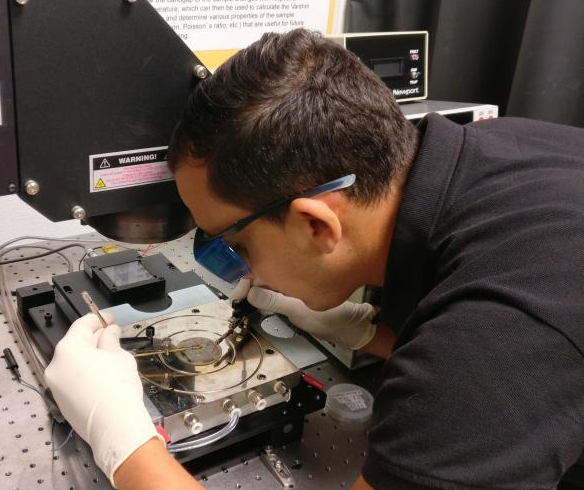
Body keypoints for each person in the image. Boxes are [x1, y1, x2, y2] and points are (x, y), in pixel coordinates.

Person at [45, 29, 584, 489]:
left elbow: (485, 365)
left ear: (316, 225)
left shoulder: (494, 339)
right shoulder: (501, 149)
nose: (240, 271)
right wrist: (364, 332)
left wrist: (122, 439)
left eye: (236, 247)